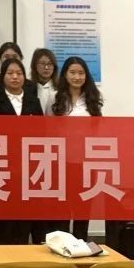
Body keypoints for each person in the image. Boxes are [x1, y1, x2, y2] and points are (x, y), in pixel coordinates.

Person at [0, 57, 43, 244]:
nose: (15, 77)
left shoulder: (33, 100)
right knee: (3, 206)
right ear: (3, 77)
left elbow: (41, 131)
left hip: (27, 165)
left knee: (25, 207)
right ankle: (4, 243)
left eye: (19, 73)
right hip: (1, 161)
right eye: (10, 73)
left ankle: (23, 243)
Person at [51, 55, 103, 241]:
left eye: (81, 73)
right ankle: (63, 245)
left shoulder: (93, 98)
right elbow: (47, 129)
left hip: (86, 163)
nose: (77, 77)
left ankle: (81, 245)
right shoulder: (55, 98)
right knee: (62, 210)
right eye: (72, 72)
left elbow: (97, 130)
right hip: (61, 163)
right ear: (65, 75)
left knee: (83, 209)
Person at [29, 48, 58, 114]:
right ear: (34, 65)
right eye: (42, 63)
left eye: (50, 64)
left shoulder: (60, 87)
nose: (46, 67)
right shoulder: (27, 87)